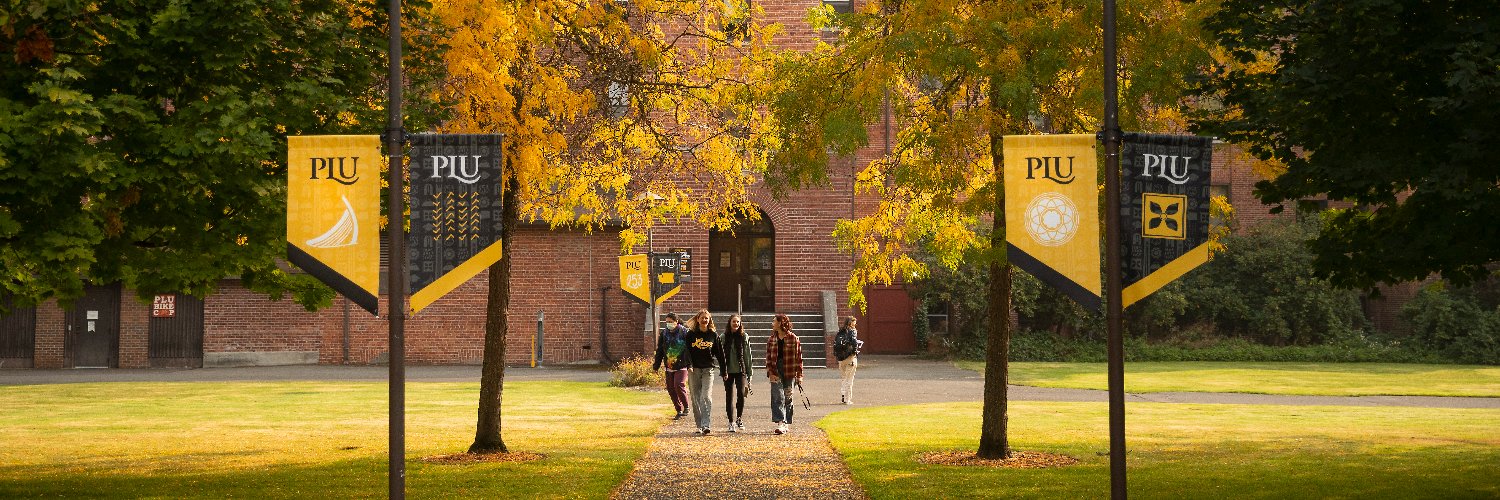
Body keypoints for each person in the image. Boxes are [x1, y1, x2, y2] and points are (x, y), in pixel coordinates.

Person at [684, 309, 726, 435]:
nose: (704, 320)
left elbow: (720, 354)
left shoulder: (713, 335)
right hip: (694, 369)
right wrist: (689, 364)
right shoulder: (691, 334)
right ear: (698, 319)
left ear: (709, 320)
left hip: (708, 369)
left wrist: (724, 370)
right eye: (702, 318)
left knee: (706, 396)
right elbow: (686, 351)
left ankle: (706, 425)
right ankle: (699, 425)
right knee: (695, 398)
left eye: (706, 318)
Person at [764, 313, 803, 435]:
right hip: (776, 370)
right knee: (777, 396)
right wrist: (770, 372)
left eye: (774, 321)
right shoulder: (771, 339)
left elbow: (799, 358)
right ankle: (781, 422)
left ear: (780, 323)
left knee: (788, 396)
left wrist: (799, 375)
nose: (772, 323)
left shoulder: (793, 338)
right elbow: (768, 358)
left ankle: (786, 422)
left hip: (790, 370)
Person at [651, 312, 690, 419]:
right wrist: (656, 366)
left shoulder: (684, 332)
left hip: (682, 364)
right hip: (669, 365)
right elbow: (660, 351)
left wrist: (690, 364)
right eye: (667, 322)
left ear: (676, 322)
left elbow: (689, 349)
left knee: (678, 384)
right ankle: (679, 410)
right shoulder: (664, 333)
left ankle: (686, 406)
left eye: (671, 322)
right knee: (670, 388)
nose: (668, 324)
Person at [720, 314, 753, 433]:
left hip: (740, 370)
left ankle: (739, 418)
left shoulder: (744, 336)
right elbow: (720, 355)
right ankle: (731, 422)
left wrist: (749, 373)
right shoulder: (723, 337)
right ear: (730, 323)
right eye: (734, 321)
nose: (736, 324)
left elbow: (748, 355)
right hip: (728, 371)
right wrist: (722, 370)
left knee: (741, 393)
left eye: (738, 322)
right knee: (729, 396)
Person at [833, 316, 864, 405]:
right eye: (854, 322)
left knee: (843, 378)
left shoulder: (841, 331)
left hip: (841, 358)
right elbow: (854, 342)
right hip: (850, 358)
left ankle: (843, 397)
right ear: (851, 323)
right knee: (849, 379)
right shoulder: (852, 331)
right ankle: (848, 399)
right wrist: (855, 352)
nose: (855, 324)